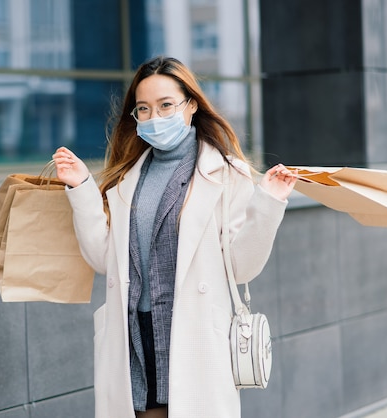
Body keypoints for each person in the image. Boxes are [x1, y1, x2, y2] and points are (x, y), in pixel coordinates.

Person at [53, 56, 296, 418]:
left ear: (192, 105)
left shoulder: (227, 174)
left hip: (191, 333)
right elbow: (104, 258)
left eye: (166, 105)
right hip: (136, 332)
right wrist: (82, 189)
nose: (155, 118)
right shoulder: (126, 180)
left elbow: (240, 267)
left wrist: (269, 203)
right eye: (144, 109)